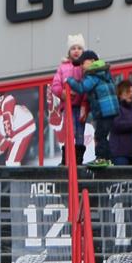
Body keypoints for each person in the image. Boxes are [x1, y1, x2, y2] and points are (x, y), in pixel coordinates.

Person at [69, 53, 119, 167]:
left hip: (103, 111)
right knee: (103, 135)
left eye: (83, 63)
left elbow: (82, 88)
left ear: (91, 61)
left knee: (99, 136)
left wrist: (70, 81)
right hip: (111, 110)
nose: (81, 66)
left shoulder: (93, 74)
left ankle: (102, 158)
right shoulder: (104, 72)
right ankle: (108, 159)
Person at [51, 33, 87, 165]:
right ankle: (66, 157)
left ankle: (78, 159)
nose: (76, 51)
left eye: (79, 48)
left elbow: (88, 85)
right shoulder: (63, 67)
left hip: (81, 105)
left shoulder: (84, 67)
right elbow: (55, 85)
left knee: (80, 132)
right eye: (73, 48)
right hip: (68, 106)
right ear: (69, 51)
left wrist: (84, 102)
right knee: (69, 132)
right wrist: (62, 93)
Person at [107, 76, 132, 164]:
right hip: (120, 153)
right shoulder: (116, 109)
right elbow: (117, 125)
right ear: (120, 94)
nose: (131, 94)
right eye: (128, 92)